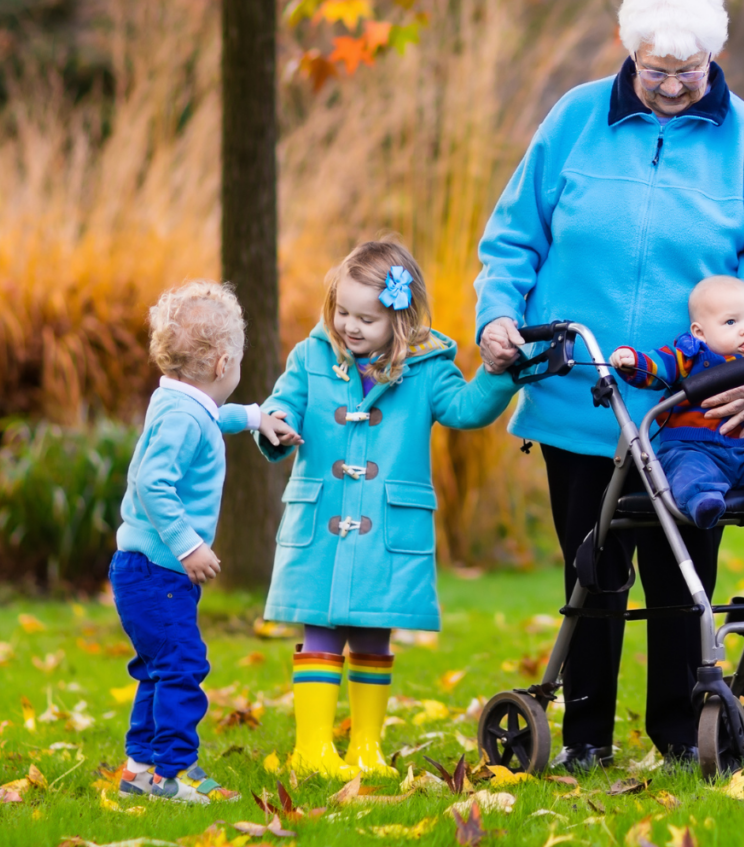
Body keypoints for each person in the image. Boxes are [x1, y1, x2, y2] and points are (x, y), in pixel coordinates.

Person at [475, 0, 744, 770]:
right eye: (656, 71)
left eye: (687, 71)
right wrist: (496, 314)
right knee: (593, 570)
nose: (671, 86)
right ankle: (585, 739)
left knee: (680, 570)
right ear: (629, 53)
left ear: (711, 59)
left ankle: (676, 732)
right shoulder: (576, 119)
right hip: (579, 397)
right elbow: (513, 237)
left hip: (693, 411)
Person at [256, 240, 517, 779]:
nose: (350, 326)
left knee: (375, 634)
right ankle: (312, 749)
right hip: (324, 519)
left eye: (366, 318)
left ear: (400, 318)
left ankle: (366, 749)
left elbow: (467, 409)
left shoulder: (426, 369)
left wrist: (499, 375)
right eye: (342, 312)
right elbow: (285, 399)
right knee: (322, 627)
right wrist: (276, 422)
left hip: (387, 530)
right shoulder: (311, 357)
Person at [111, 281, 300, 804]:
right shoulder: (180, 416)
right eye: (236, 363)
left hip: (144, 571)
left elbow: (213, 416)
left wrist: (255, 417)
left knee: (160, 667)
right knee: (182, 665)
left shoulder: (177, 401)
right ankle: (175, 773)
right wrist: (188, 545)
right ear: (222, 365)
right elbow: (152, 483)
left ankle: (138, 771)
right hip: (157, 572)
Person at [610, 275, 744, 529]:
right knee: (688, 471)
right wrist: (634, 363)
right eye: (730, 321)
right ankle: (702, 502)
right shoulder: (690, 354)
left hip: (742, 448)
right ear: (699, 332)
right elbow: (659, 368)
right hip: (691, 447)